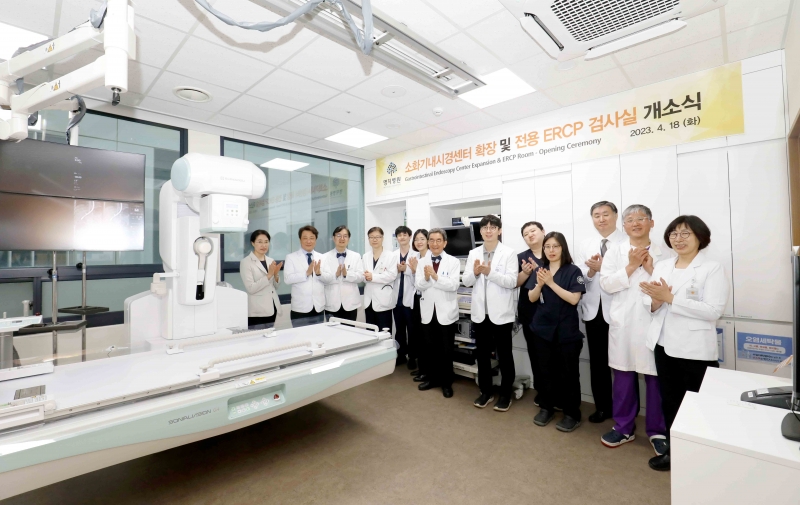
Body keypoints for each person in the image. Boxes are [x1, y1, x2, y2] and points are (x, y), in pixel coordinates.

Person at [640, 215, 728, 472]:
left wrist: (670, 298)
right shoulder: (663, 266)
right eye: (674, 234)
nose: (678, 239)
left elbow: (713, 310)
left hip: (695, 349)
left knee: (697, 406)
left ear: (700, 237)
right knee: (670, 402)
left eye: (685, 233)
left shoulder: (712, 268)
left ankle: (700, 457)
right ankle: (674, 452)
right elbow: (649, 301)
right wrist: (656, 301)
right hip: (663, 345)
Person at [598, 205, 672, 457]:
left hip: (654, 321)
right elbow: (606, 284)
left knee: (655, 379)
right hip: (625, 324)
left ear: (652, 223)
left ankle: (657, 431)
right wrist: (630, 266)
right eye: (630, 220)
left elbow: (671, 286)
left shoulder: (665, 254)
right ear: (624, 225)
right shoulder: (615, 252)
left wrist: (650, 268)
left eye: (641, 218)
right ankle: (623, 428)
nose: (636, 223)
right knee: (623, 377)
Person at [528, 232, 586, 432]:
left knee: (568, 374)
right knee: (545, 372)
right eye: (547, 247)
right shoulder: (540, 270)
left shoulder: (573, 271)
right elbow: (532, 298)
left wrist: (551, 283)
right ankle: (546, 407)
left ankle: (572, 413)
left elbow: (574, 299)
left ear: (563, 248)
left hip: (566, 332)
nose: (551, 250)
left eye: (555, 246)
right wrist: (540, 284)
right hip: (542, 330)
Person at [575, 201, 627, 423]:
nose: (601, 219)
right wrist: (590, 271)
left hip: (620, 310)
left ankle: (625, 412)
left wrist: (603, 267)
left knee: (623, 365)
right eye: (596, 215)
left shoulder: (627, 242)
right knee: (598, 364)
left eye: (606, 214)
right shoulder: (586, 244)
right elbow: (580, 278)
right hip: (594, 312)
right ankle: (603, 407)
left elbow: (629, 274)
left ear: (615, 216)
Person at [462, 215, 519, 412]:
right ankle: (485, 391)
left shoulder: (509, 253)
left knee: (505, 356)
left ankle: (505, 395)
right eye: (485, 227)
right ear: (480, 231)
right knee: (482, 355)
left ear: (499, 230)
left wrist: (489, 273)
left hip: (501, 314)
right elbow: (467, 281)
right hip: (480, 313)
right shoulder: (473, 253)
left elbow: (511, 282)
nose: (488, 230)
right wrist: (476, 272)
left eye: (492, 227)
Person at [415, 228, 460, 398]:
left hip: (446, 312)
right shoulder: (421, 262)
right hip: (428, 311)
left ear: (445, 243)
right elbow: (419, 285)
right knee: (430, 349)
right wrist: (427, 278)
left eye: (438, 240)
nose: (434, 243)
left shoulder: (453, 261)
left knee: (446, 351)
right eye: (431, 240)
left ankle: (447, 383)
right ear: (428, 242)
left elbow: (453, 285)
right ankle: (432, 379)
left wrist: (435, 277)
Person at [516, 221, 545, 402]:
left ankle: (558, 394)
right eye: (526, 234)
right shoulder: (521, 257)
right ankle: (542, 392)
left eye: (533, 231)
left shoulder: (554, 252)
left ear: (543, 231)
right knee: (535, 354)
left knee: (554, 355)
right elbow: (514, 283)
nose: (530, 235)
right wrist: (525, 273)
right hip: (529, 312)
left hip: (552, 312)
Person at [284, 225, 326, 327]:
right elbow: (287, 279)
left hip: (318, 307)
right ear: (300, 240)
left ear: (315, 240)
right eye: (305, 238)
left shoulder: (322, 257)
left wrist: (319, 273)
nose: (308, 241)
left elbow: (328, 279)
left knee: (318, 336)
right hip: (300, 309)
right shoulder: (291, 257)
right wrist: (306, 273)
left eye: (312, 238)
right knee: (300, 336)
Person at [239, 230, 283, 328]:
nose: (264, 245)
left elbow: (275, 287)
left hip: (272, 307)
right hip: (257, 311)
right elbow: (251, 288)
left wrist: (276, 275)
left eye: (266, 242)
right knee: (257, 337)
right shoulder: (246, 262)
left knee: (270, 336)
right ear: (253, 243)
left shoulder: (270, 260)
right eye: (260, 242)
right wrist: (269, 275)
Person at [320, 225, 364, 321]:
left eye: (345, 236)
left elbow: (361, 277)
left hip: (350, 303)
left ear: (349, 239)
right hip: (331, 303)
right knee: (332, 330)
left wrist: (346, 274)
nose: (342, 238)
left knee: (350, 329)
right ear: (333, 238)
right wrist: (335, 275)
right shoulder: (324, 257)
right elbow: (322, 279)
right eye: (339, 235)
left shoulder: (356, 256)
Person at [363, 227, 398, 334]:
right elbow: (363, 275)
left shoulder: (391, 256)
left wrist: (373, 277)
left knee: (384, 333)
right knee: (370, 333)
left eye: (377, 237)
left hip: (384, 302)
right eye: (371, 237)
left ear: (382, 238)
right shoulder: (365, 256)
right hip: (369, 301)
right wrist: (365, 277)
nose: (374, 239)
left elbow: (392, 275)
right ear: (368, 239)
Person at [392, 226, 417, 368]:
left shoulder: (416, 255)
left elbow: (417, 277)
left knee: (412, 330)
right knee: (399, 329)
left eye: (404, 235)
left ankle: (412, 357)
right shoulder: (392, 255)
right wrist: (397, 270)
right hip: (396, 299)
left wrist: (406, 269)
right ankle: (400, 355)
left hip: (410, 298)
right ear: (396, 238)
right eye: (399, 235)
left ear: (410, 236)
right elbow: (389, 275)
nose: (402, 237)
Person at [409, 229, 431, 383]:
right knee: (418, 336)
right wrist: (414, 271)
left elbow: (429, 281)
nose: (419, 242)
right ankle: (422, 368)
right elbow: (415, 283)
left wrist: (416, 270)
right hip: (417, 299)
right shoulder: (416, 257)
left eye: (422, 239)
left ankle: (427, 371)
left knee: (426, 337)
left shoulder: (431, 258)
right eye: (416, 239)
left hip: (428, 300)